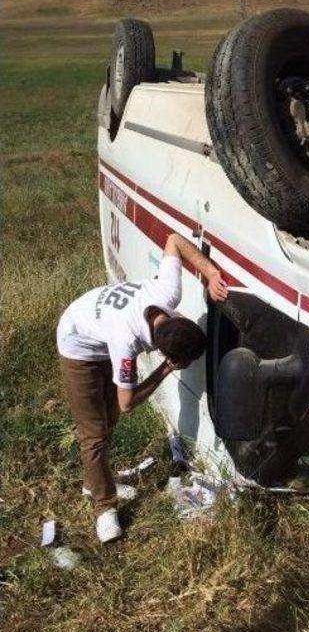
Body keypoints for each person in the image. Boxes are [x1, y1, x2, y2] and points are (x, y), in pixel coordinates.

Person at [56, 232, 228, 543]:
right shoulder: (126, 341)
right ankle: (104, 507)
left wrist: (211, 271)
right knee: (93, 433)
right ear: (168, 355)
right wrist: (164, 370)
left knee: (107, 420)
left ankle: (96, 481)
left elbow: (174, 240)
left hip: (98, 325)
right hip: (78, 344)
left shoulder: (167, 293)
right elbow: (128, 401)